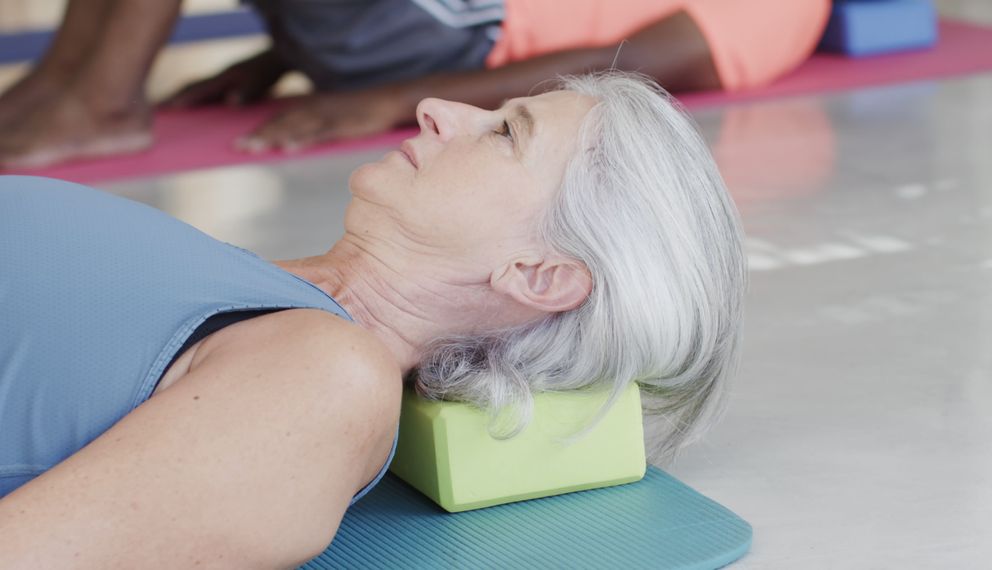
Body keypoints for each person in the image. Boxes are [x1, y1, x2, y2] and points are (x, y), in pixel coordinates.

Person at [0, 72, 746, 567]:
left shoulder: (324, 380)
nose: (437, 109)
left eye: (504, 133)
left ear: (539, 273)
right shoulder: (259, 288)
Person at [0, 0, 830, 167]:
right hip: (424, 25)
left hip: (451, 44)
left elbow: (647, 63)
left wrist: (386, 101)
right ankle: (61, 84)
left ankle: (100, 101)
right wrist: (276, 59)